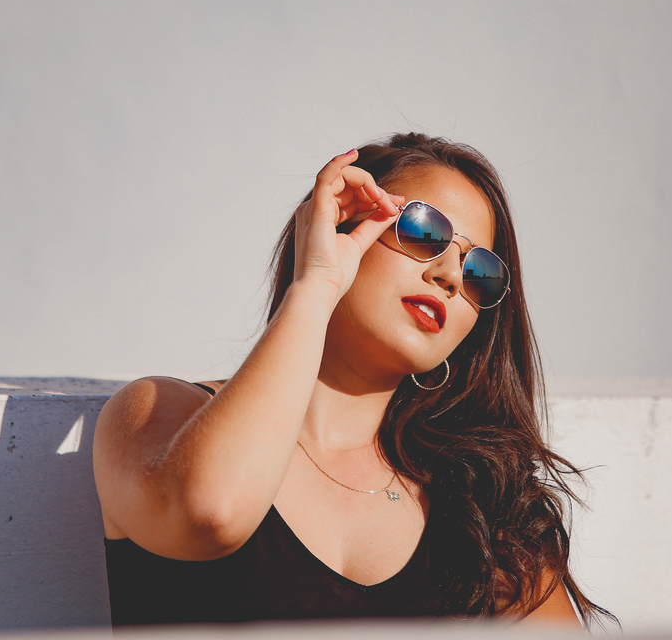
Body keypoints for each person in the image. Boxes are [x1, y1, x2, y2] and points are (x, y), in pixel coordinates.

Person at [93, 133, 611, 628]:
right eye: (425, 232)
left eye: (481, 272)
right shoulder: (161, 410)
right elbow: (209, 513)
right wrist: (316, 284)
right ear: (341, 226)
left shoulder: (481, 499)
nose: (451, 276)